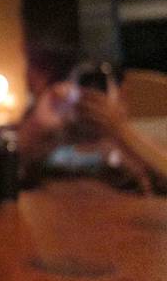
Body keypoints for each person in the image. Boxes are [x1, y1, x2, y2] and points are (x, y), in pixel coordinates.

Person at [18, 53, 167, 195]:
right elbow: (11, 175)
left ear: (122, 95)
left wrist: (119, 130)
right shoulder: (47, 145)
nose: (89, 94)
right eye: (82, 83)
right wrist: (38, 127)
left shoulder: (134, 150)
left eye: (99, 85)